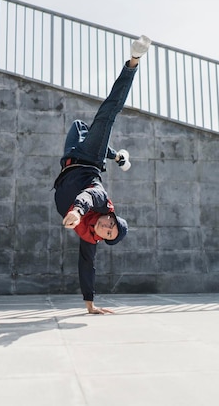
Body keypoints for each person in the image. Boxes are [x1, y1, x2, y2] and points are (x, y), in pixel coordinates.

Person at [53, 35, 152, 314]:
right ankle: (133, 62)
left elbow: (87, 265)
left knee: (79, 125)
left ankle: (119, 156)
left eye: (107, 234)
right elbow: (88, 194)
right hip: (88, 161)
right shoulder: (101, 200)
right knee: (108, 114)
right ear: (110, 216)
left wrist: (90, 304)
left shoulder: (89, 237)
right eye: (111, 225)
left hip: (70, 156)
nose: (105, 229)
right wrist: (77, 211)